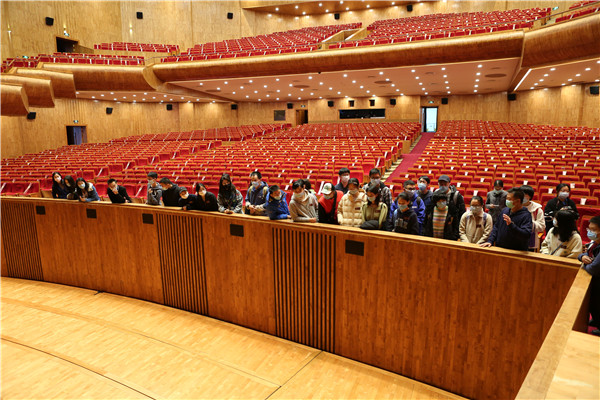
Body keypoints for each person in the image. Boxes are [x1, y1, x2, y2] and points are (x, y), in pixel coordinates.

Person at [579, 216, 600, 336]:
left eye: (593, 230)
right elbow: (584, 254)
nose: (589, 232)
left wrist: (585, 264)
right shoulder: (595, 243)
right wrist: (582, 257)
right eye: (589, 229)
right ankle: (597, 320)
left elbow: (593, 269)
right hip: (595, 281)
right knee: (593, 304)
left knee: (597, 304)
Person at [521, 185, 546, 252]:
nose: (522, 196)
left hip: (530, 240)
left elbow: (542, 227)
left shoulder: (537, 209)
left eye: (524, 195)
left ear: (530, 196)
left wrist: (529, 223)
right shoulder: (514, 206)